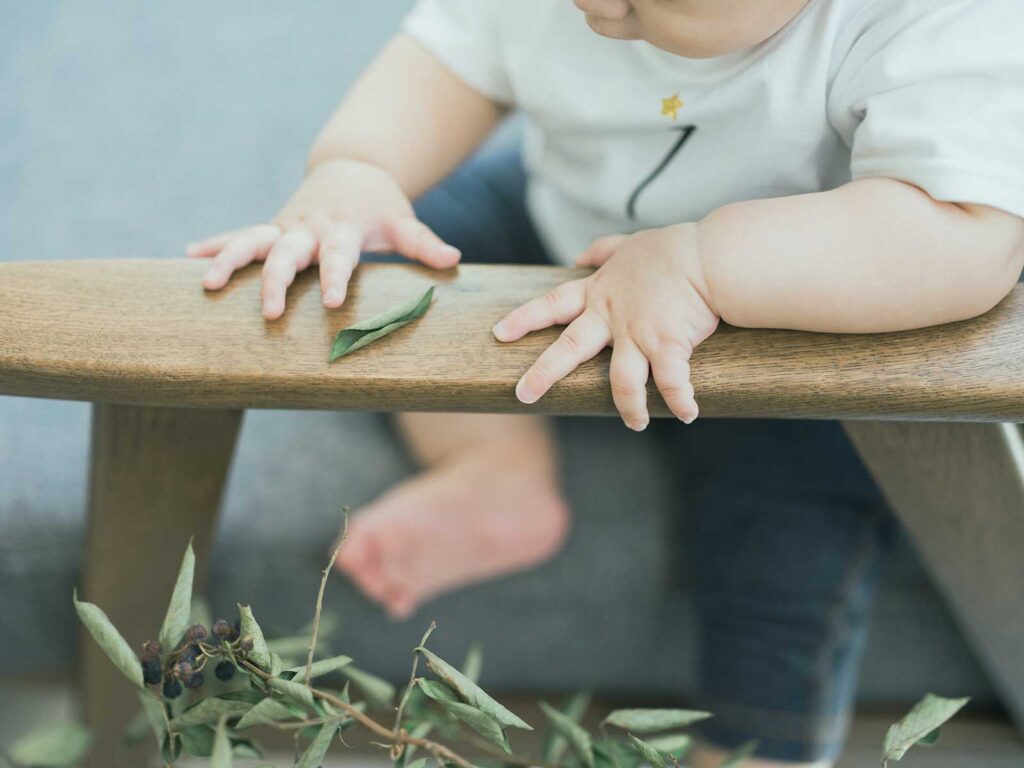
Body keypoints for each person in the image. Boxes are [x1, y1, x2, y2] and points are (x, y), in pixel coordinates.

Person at [188, 1, 1024, 764]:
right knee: (379, 265)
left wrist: (704, 265)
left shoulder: (934, 20)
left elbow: (966, 235)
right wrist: (358, 168)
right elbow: (454, 50)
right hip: (566, 223)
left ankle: (752, 744)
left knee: (784, 543)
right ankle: (493, 467)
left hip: (799, 323)